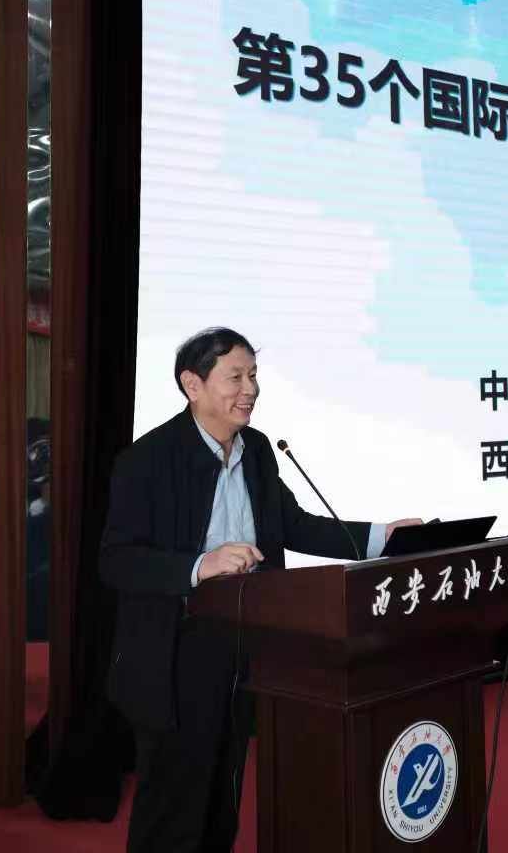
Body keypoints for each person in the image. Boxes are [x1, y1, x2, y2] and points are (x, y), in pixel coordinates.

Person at [101, 327, 419, 852]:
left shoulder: (259, 450)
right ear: (192, 385)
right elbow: (116, 560)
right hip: (176, 653)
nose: (249, 389)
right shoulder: (148, 459)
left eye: (253, 375)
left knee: (224, 790)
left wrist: (383, 537)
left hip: (249, 642)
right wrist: (199, 565)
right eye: (235, 377)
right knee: (175, 800)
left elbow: (293, 525)